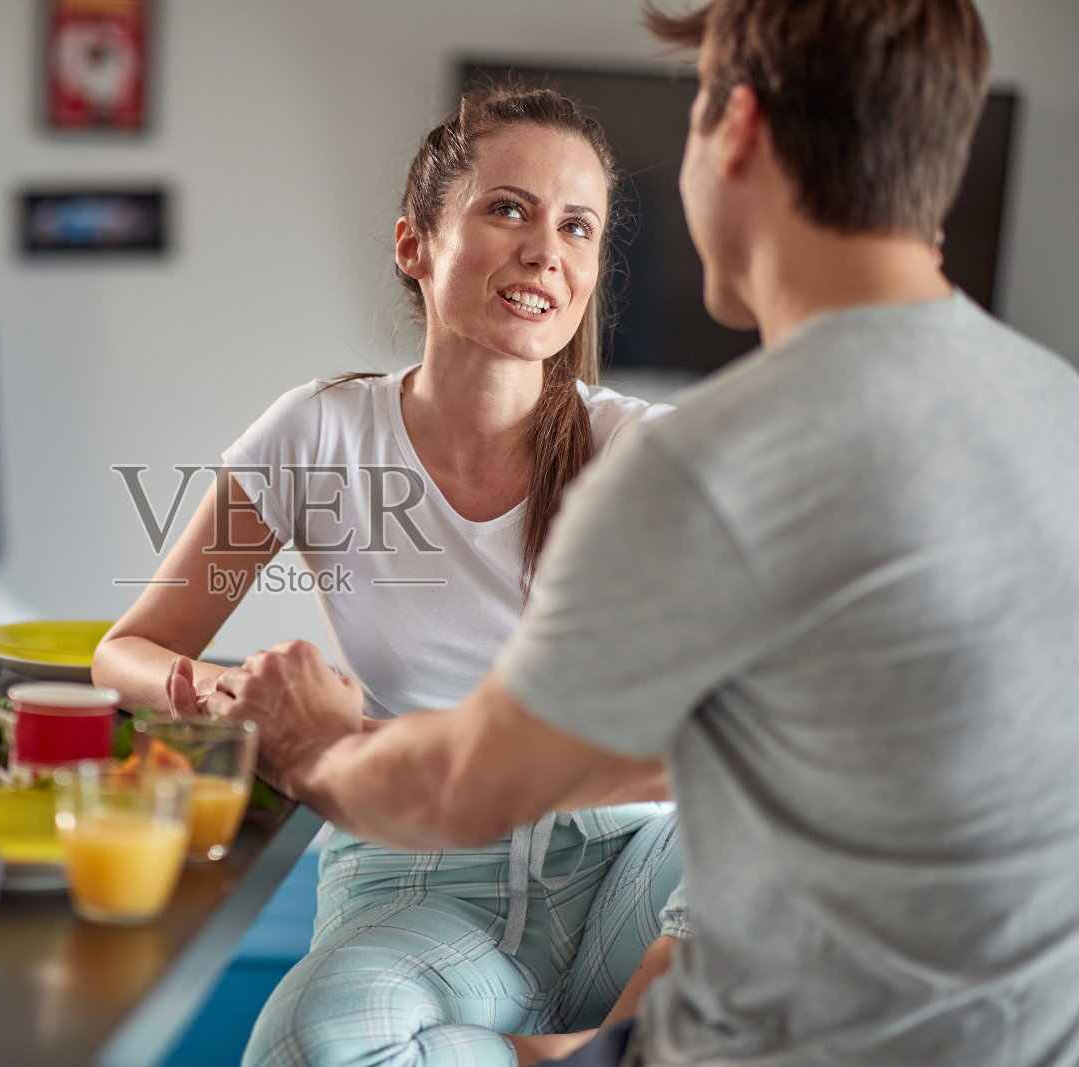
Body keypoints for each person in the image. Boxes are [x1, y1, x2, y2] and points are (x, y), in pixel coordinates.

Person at [208, 1, 1079, 1065]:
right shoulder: (1057, 410)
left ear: (736, 129)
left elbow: (472, 785)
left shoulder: (718, 459)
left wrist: (312, 745)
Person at [93, 88, 685, 1065]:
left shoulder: (642, 452)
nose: (546, 251)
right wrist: (237, 698)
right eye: (509, 208)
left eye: (576, 226)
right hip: (424, 873)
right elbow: (131, 651)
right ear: (415, 243)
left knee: (802, 812)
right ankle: (583, 1051)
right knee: (309, 1042)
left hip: (630, 867)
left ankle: (595, 1043)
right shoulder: (317, 433)